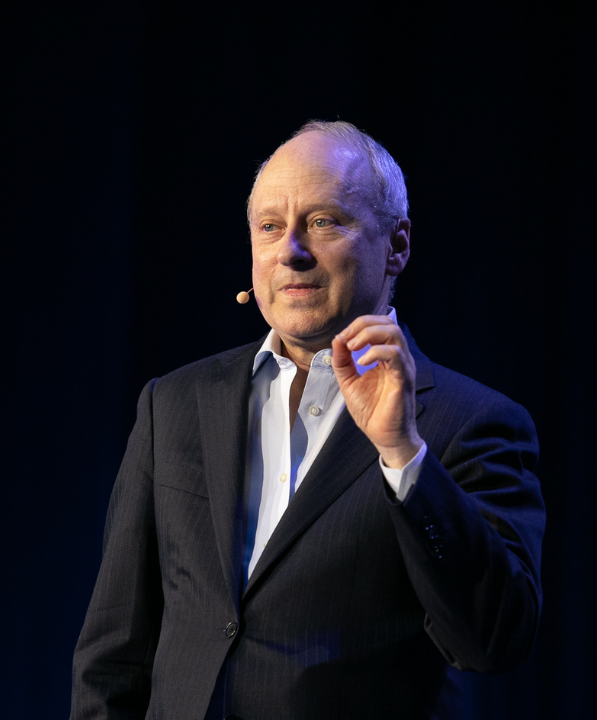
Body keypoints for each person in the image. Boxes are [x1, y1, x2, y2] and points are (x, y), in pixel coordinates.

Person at [71, 121, 545, 720]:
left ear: (397, 244)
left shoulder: (471, 423)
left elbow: (494, 641)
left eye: (322, 223)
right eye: (270, 227)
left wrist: (403, 454)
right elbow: (114, 655)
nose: (290, 251)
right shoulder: (175, 404)